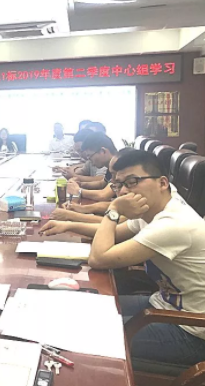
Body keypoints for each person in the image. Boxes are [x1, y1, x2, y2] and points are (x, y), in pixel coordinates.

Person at [41, 151, 205, 366]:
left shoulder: (173, 224)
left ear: (162, 183)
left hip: (191, 331)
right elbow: (115, 232)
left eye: (133, 182)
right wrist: (68, 225)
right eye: (119, 185)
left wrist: (114, 209)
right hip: (163, 305)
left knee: (82, 336)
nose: (124, 191)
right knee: (82, 310)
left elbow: (98, 258)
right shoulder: (156, 209)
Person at [67, 133, 117, 202]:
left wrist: (78, 190)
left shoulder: (120, 166)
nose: (90, 161)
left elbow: (103, 195)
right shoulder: (111, 164)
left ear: (103, 151)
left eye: (90, 157)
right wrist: (80, 184)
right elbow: (101, 184)